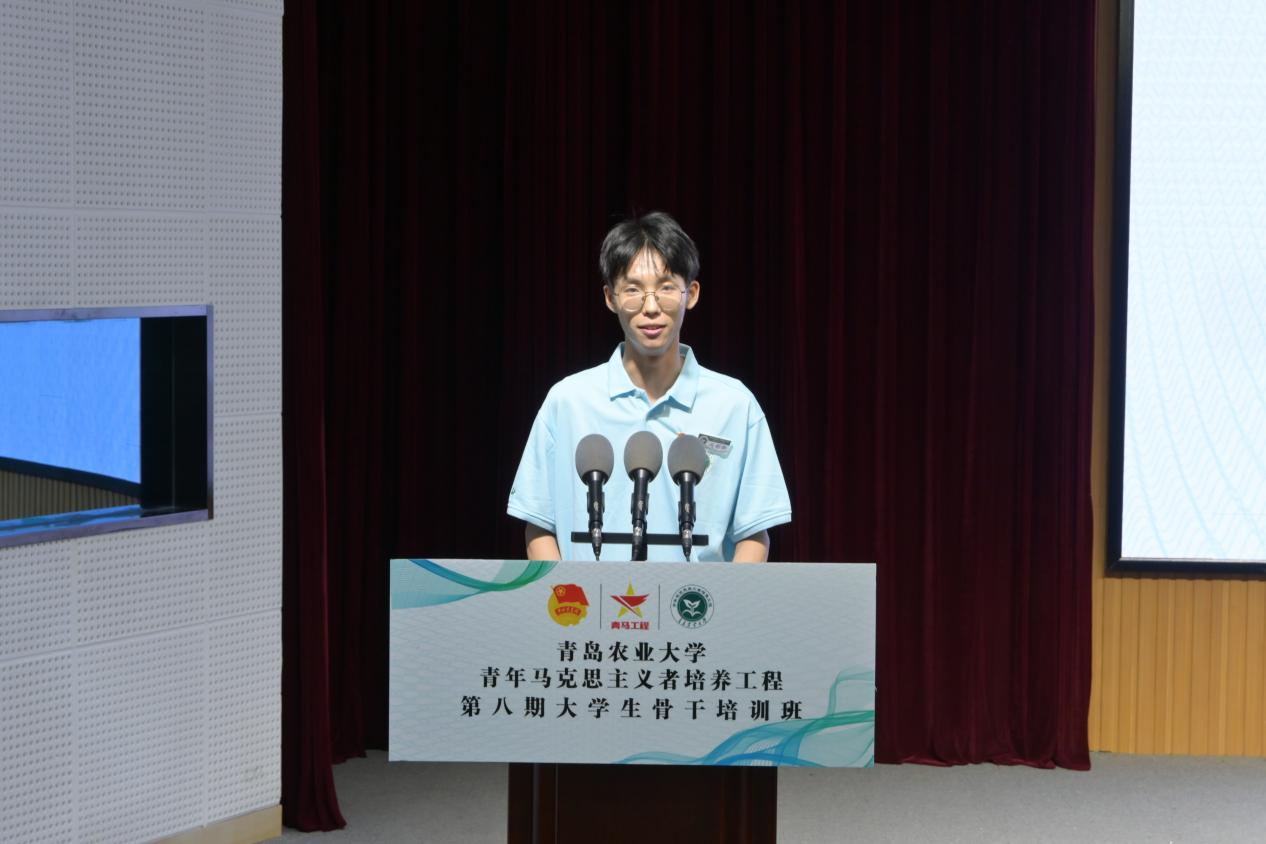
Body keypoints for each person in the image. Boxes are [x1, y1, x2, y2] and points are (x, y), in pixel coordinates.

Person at [506, 211, 791, 562]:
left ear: (691, 294)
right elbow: (539, 525)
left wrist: (726, 599)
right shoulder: (567, 402)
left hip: (698, 599)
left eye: (666, 288)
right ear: (610, 297)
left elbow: (753, 534)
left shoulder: (735, 405)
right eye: (633, 290)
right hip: (588, 598)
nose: (651, 307)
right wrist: (567, 595)